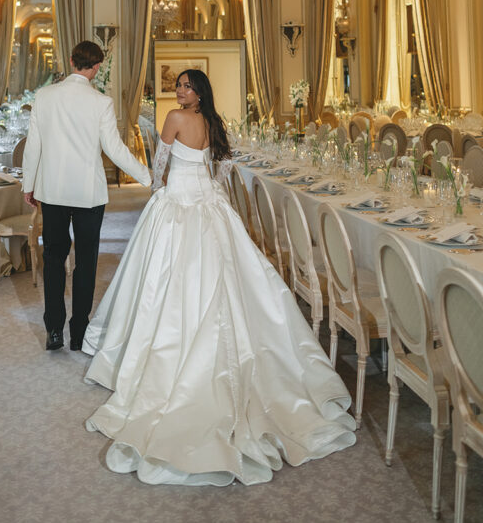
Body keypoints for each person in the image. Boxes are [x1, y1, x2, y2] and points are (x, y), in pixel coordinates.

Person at [82, 69, 356, 486]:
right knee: (225, 279)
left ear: (198, 92)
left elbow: (160, 164)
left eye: (186, 86)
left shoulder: (174, 118)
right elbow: (225, 168)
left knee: (170, 281)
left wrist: (158, 190)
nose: (180, 91)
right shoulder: (214, 123)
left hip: (179, 203)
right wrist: (213, 193)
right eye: (178, 86)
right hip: (209, 203)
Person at [22, 40, 151, 352]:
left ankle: (54, 330)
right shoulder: (100, 102)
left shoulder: (44, 96)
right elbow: (114, 149)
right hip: (89, 195)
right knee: (87, 261)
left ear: (70, 60)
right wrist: (147, 176)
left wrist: (29, 185)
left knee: (52, 259)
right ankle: (79, 330)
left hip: (52, 191)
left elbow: (33, 146)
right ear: (96, 67)